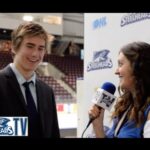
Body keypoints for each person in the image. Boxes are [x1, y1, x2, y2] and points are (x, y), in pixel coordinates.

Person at [0, 22, 60, 138]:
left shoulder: (47, 92)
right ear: (14, 47)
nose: (35, 54)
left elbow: (53, 133)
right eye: (30, 46)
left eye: (40, 48)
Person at [88, 41, 150, 138]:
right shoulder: (125, 104)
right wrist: (98, 125)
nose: (116, 71)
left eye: (120, 64)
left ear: (138, 67)